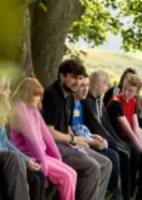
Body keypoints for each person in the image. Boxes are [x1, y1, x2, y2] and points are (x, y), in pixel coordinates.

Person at [41, 59, 112, 200]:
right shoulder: (51, 95)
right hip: (52, 146)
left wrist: (84, 140)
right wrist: (73, 139)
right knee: (92, 167)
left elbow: (67, 127)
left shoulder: (69, 97)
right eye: (73, 77)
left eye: (80, 78)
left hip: (66, 144)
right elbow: (48, 133)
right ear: (62, 76)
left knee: (106, 163)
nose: (77, 82)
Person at [10, 77, 77, 200]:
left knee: (72, 173)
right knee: (66, 177)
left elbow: (47, 136)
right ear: (27, 94)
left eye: (39, 95)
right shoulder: (19, 108)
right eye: (35, 95)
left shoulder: (32, 108)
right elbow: (33, 141)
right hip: (30, 156)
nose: (38, 99)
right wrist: (44, 169)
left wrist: (58, 158)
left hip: (42, 156)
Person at [82, 70, 133, 200]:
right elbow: (96, 127)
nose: (106, 88)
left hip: (102, 138)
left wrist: (118, 142)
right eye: (105, 85)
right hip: (92, 139)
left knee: (126, 150)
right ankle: (116, 194)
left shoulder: (99, 101)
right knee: (116, 154)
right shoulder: (87, 101)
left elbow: (107, 126)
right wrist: (114, 143)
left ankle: (125, 194)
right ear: (97, 85)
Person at [72, 75, 123, 200]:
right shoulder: (73, 103)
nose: (85, 89)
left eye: (87, 85)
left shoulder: (79, 104)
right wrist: (92, 142)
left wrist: (97, 138)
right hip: (76, 144)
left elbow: (83, 128)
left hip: (85, 139)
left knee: (113, 157)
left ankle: (113, 195)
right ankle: (114, 195)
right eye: (82, 86)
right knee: (110, 158)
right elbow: (72, 131)